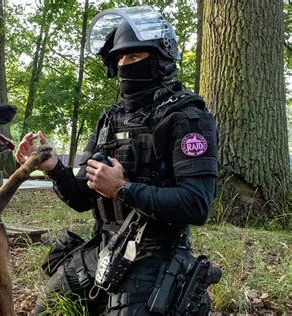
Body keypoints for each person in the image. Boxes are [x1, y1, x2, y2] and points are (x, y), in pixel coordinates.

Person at [17, 6, 219, 315]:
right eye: (120, 58)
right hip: (103, 247)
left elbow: (197, 204)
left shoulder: (186, 117)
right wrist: (54, 168)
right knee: (46, 309)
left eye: (135, 56)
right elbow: (82, 198)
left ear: (160, 60)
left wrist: (123, 189)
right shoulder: (110, 119)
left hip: (156, 253)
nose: (125, 64)